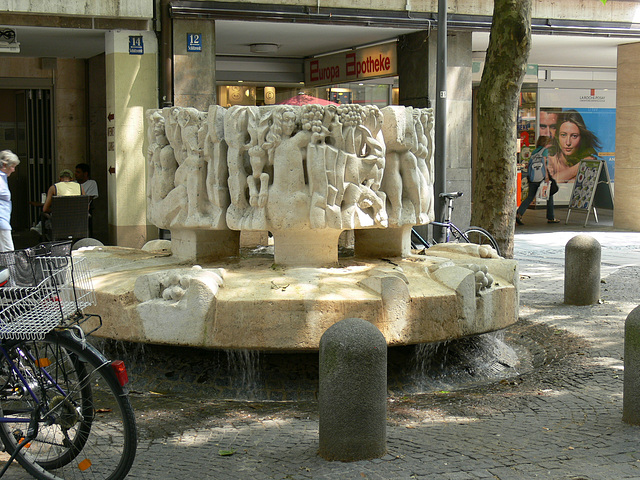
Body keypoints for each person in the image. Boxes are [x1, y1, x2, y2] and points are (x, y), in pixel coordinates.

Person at [547, 109, 600, 183]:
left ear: (581, 138)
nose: (568, 142)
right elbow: (550, 184)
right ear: (557, 137)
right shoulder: (550, 161)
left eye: (574, 136)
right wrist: (580, 166)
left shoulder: (590, 161)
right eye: (563, 135)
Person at [516, 136, 559, 225]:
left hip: (533, 178)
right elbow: (544, 164)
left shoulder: (534, 151)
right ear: (545, 143)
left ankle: (519, 213)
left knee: (530, 197)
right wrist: (546, 177)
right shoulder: (544, 151)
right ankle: (551, 217)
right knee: (549, 196)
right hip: (542, 178)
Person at [31, 169, 85, 237]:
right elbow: (86, 207)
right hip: (77, 224)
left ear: (59, 178)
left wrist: (55, 210)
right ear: (72, 179)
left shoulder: (54, 187)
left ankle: (39, 229)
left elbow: (45, 209)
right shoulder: (80, 187)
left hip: (59, 224)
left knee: (44, 218)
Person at [0, 150, 20, 252]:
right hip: (1, 222)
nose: (13, 170)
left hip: (3, 221)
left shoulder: (3, 178)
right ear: (4, 165)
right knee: (8, 254)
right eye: (12, 166)